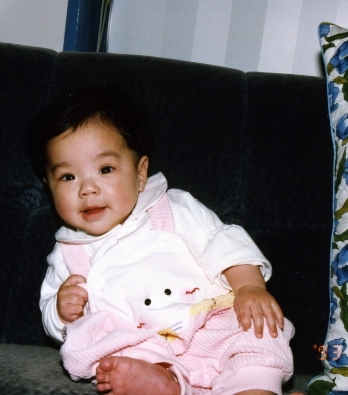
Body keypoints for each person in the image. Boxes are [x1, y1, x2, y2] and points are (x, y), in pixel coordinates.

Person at [34, 92, 296, 395]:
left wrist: (249, 286)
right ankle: (162, 383)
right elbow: (52, 315)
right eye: (67, 177)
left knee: (258, 332)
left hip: (211, 324)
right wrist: (60, 312)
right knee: (107, 349)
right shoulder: (67, 253)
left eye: (105, 169)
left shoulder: (174, 208)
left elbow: (223, 241)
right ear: (49, 186)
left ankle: (254, 388)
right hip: (144, 345)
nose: (87, 189)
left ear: (140, 173)